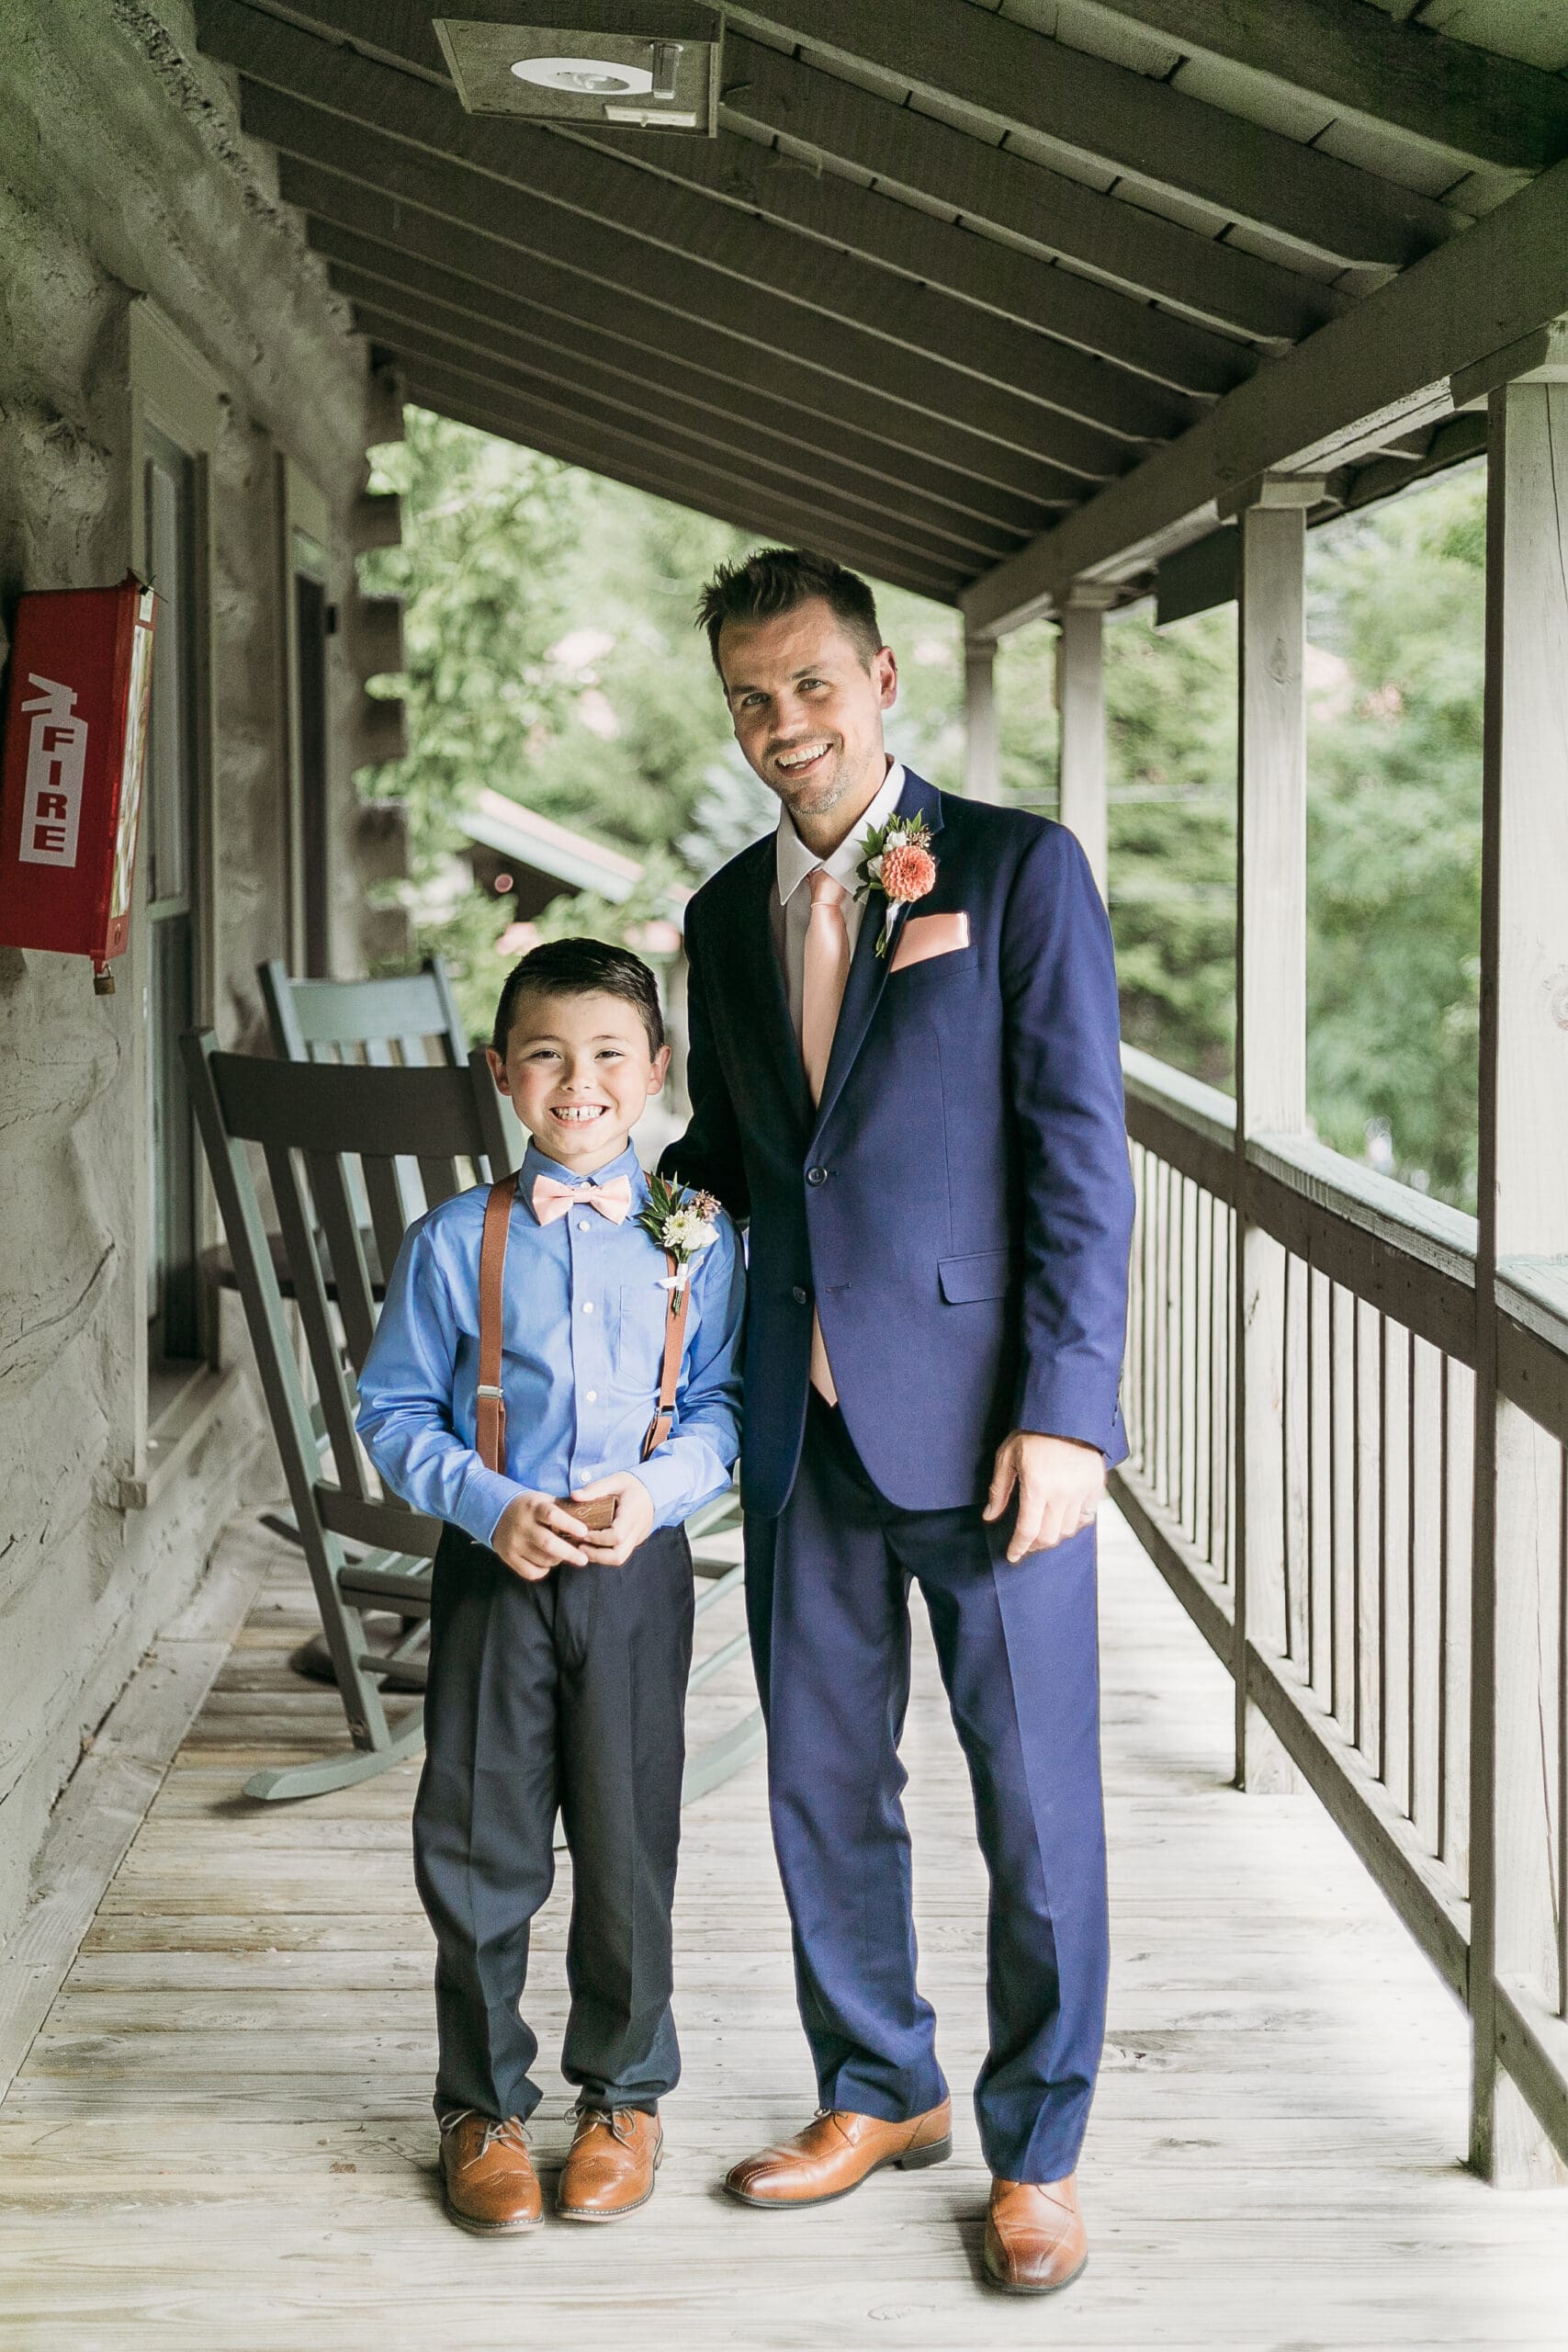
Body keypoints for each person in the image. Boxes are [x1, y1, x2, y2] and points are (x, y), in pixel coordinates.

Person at [660, 548, 1133, 2296]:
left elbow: (1081, 1158)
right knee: (824, 1781)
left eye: (811, 688)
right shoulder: (721, 916)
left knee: (1036, 1800)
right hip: (802, 1423)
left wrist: (1070, 1415)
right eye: (751, 700)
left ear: (878, 683)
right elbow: (731, 1153)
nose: (785, 727)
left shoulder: (1012, 871)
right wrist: (617, 1237)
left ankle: (1041, 2147)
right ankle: (881, 2087)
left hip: (996, 1430)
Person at [357, 937, 744, 2237]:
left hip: (637, 1569)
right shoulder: (455, 1239)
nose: (577, 1081)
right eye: (546, 1055)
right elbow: (395, 1408)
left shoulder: (696, 1238)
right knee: (478, 1840)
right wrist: (487, 1502)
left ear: (654, 1075)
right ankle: (482, 2103)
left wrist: (657, 1491)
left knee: (631, 1838)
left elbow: (722, 1407)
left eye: (607, 1056)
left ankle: (624, 2092)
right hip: (493, 1566)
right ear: (504, 1077)